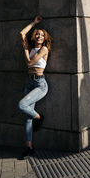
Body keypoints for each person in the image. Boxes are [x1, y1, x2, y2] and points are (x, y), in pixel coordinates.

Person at [18, 15, 52, 158]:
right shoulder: (32, 47)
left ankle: (39, 117)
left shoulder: (44, 49)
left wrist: (25, 50)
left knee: (22, 105)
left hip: (40, 84)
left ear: (44, 39)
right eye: (37, 34)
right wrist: (34, 22)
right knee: (27, 118)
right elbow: (21, 33)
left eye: (42, 35)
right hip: (29, 82)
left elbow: (30, 63)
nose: (39, 36)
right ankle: (29, 148)